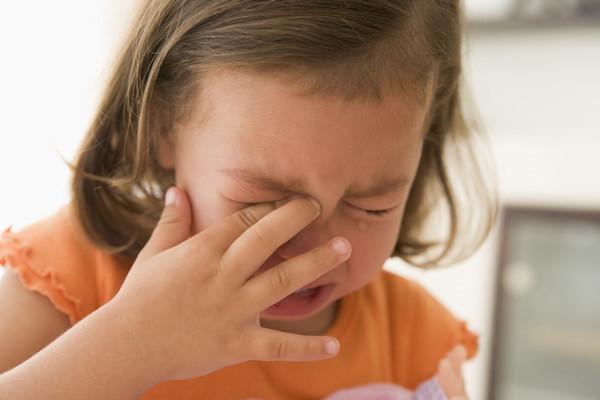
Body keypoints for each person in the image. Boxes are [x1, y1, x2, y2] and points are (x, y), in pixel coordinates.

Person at [0, 0, 497, 399]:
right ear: (162, 127)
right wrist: (131, 348)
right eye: (266, 198)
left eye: (372, 206)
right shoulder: (75, 280)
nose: (319, 248)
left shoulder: (414, 339)